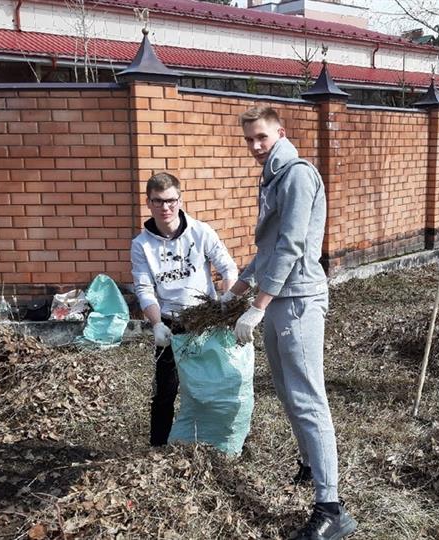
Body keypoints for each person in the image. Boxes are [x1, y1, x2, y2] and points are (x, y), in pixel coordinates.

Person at [220, 106, 357, 540]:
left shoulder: (296, 174)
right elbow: (267, 247)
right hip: (278, 299)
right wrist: (235, 292)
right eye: (249, 140)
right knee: (285, 390)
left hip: (297, 301)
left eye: (261, 137)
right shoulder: (273, 175)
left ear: (280, 132)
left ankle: (331, 507)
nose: (255, 147)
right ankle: (309, 464)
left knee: (307, 398)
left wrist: (257, 305)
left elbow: (292, 245)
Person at [131, 172, 238, 447]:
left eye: (170, 201)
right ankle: (157, 449)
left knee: (214, 383)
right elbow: (144, 289)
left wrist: (226, 299)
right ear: (148, 202)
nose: (165, 208)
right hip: (170, 323)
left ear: (180, 199)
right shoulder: (141, 245)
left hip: (204, 319)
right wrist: (156, 324)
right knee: (165, 391)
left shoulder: (200, 232)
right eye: (158, 201)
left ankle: (219, 440)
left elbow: (228, 268)